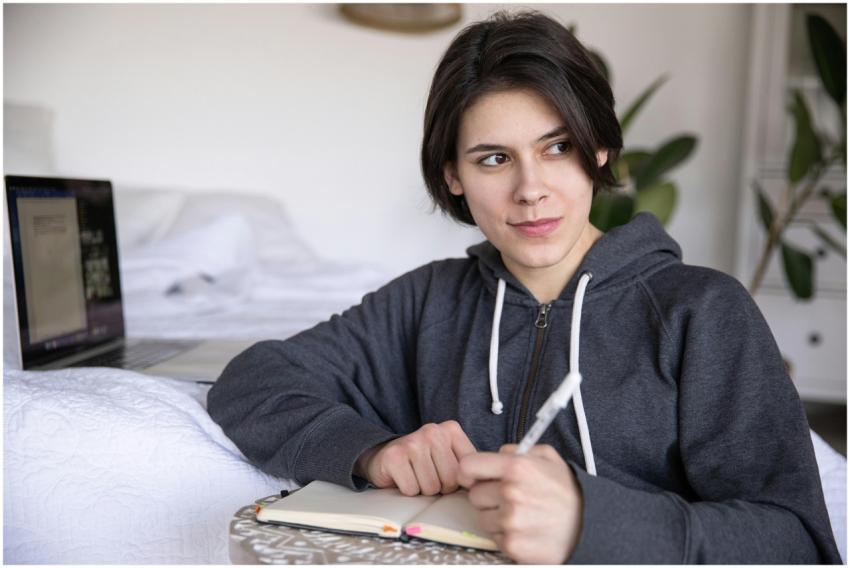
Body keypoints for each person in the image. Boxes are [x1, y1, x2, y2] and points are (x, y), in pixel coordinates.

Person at [208, 10, 840, 564]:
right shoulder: (427, 302)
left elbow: (795, 544)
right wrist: (371, 451)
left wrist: (592, 526)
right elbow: (253, 380)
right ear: (452, 174)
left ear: (597, 149)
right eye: (493, 158)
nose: (531, 188)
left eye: (557, 147)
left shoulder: (701, 312)